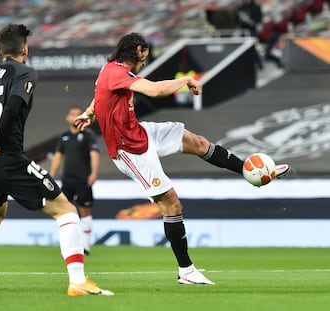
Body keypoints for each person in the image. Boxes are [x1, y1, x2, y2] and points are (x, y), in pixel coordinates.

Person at [75, 32, 293, 286]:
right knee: (172, 204)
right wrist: (186, 80)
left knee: (197, 142)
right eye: (145, 54)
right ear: (136, 49)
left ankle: (249, 171)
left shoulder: (111, 70)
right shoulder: (117, 73)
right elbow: (155, 91)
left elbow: (100, 96)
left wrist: (88, 113)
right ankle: (186, 270)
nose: (146, 59)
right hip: (128, 150)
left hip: (140, 132)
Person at [0, 24, 112, 296]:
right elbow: (12, 107)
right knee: (66, 210)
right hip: (6, 157)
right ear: (24, 49)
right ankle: (78, 282)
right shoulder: (25, 72)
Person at [50, 106, 100, 256]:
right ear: (68, 118)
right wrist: (51, 176)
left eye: (78, 114)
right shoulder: (64, 136)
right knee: (65, 212)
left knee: (85, 212)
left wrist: (93, 173)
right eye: (73, 114)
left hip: (83, 179)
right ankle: (68, 245)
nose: (75, 117)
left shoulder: (88, 135)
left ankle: (85, 245)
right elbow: (58, 156)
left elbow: (94, 155)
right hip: (67, 180)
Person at [236, 0, 264, 70]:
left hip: (252, 30)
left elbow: (259, 19)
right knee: (241, 48)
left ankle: (259, 63)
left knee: (253, 47)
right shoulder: (241, 8)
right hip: (243, 30)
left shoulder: (256, 7)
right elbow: (237, 19)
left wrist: (253, 22)